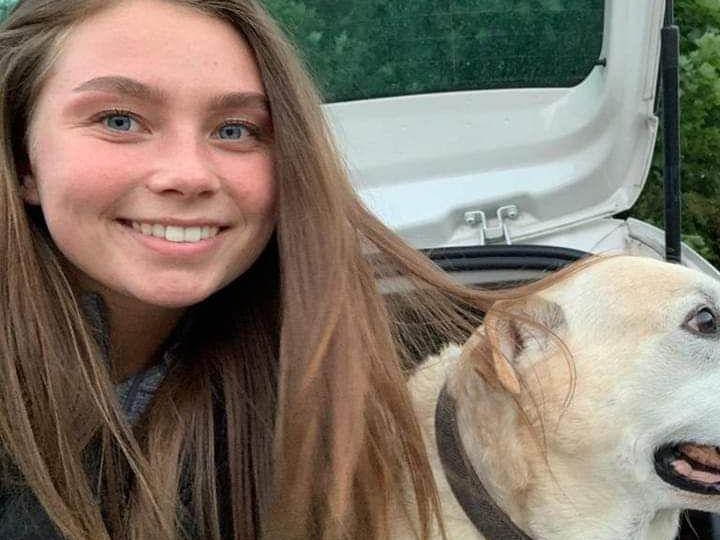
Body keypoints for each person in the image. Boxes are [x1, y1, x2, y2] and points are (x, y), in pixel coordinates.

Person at [0, 0, 557, 538]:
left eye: (235, 130)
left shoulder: (306, 370)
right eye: (119, 120)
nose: (189, 175)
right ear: (24, 159)